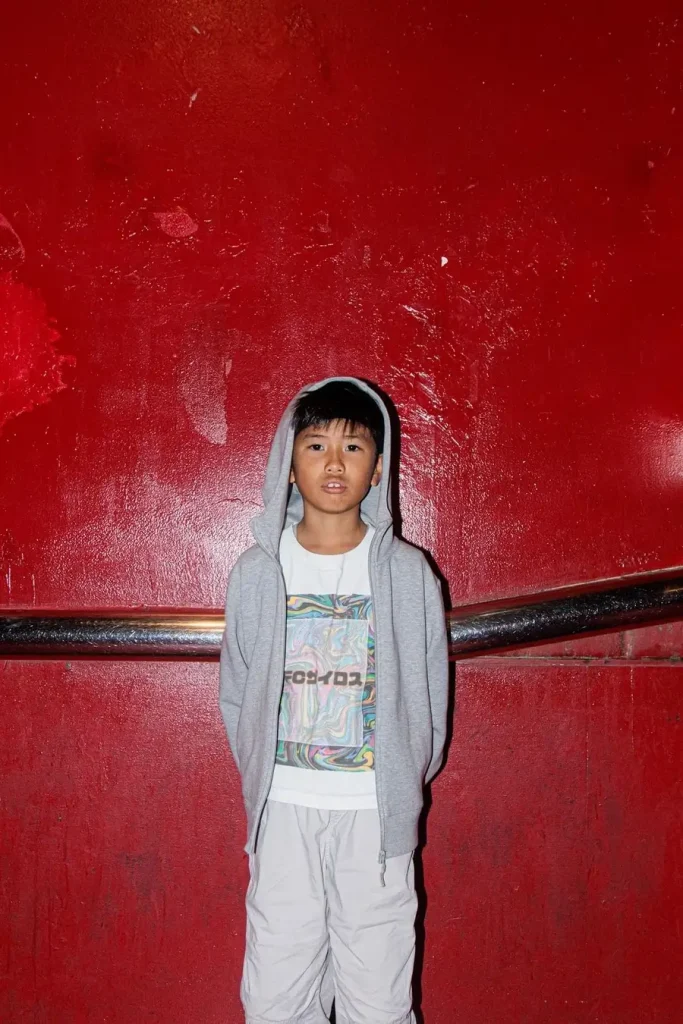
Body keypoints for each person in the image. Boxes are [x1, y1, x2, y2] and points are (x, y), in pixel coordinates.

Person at [219, 376, 449, 1024]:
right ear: (288, 465)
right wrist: (262, 776)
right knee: (275, 994)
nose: (334, 463)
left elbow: (429, 694)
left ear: (378, 468)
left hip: (375, 816)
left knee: (377, 998)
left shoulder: (407, 572)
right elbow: (236, 688)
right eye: (316, 445)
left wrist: (401, 780)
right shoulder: (258, 571)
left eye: (353, 447)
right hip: (284, 808)